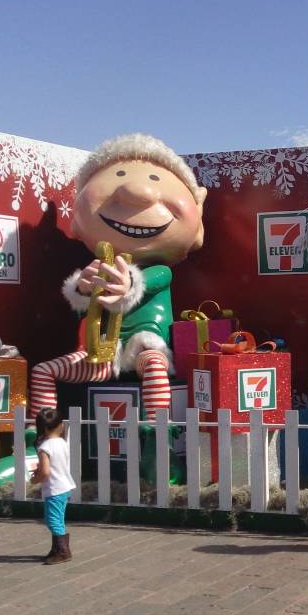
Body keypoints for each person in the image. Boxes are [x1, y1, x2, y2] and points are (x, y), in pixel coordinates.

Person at [30, 134, 207, 420]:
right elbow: (80, 317)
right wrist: (83, 291)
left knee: (154, 367)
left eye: (154, 178)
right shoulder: (97, 267)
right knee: (43, 371)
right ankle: (40, 434)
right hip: (102, 358)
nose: (138, 191)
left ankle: (156, 433)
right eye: (120, 174)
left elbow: (146, 282)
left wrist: (127, 285)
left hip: (146, 348)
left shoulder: (161, 270)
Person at [30, 408, 76, 565]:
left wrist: (35, 480)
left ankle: (63, 551)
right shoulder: (62, 443)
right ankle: (57, 548)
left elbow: (45, 472)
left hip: (54, 488)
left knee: (52, 521)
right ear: (61, 425)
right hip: (64, 486)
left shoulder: (45, 447)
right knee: (59, 519)